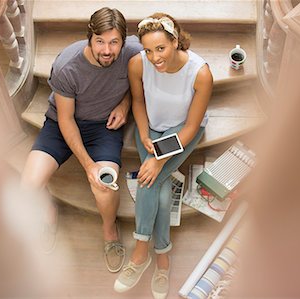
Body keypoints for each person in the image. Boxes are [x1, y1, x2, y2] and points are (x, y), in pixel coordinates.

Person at [20, 7, 142, 272]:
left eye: (114, 42)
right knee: (28, 186)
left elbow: (160, 50)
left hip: (103, 127)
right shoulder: (67, 65)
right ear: (89, 38)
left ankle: (110, 231)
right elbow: (66, 120)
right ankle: (47, 214)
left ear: (124, 40)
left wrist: (125, 103)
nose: (107, 50)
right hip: (63, 124)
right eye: (100, 41)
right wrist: (88, 166)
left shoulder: (133, 52)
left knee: (105, 185)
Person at [114, 13, 213, 298]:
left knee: (150, 179)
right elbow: (138, 101)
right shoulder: (137, 64)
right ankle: (163, 258)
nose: (154, 57)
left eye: (161, 48)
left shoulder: (200, 72)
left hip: (183, 131)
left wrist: (158, 159)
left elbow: (192, 125)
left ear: (176, 41)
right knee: (156, 184)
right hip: (152, 128)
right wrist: (144, 133)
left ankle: (142, 251)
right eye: (148, 50)